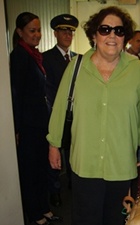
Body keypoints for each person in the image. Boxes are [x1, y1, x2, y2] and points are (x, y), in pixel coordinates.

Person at [47, 6, 140, 225]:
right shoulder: (77, 67)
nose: (112, 36)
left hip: (121, 162)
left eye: (119, 31)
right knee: (84, 219)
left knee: (115, 218)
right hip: (85, 160)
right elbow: (60, 108)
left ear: (125, 37)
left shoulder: (135, 70)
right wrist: (53, 144)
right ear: (94, 34)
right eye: (105, 29)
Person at [10, 12, 62, 225]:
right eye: (32, 30)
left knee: (41, 168)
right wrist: (16, 128)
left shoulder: (33, 55)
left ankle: (44, 208)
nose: (37, 34)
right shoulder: (19, 56)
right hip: (29, 125)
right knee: (31, 171)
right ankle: (35, 213)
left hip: (41, 123)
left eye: (39, 30)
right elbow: (16, 94)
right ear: (20, 32)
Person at [43, 14, 79, 207]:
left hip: (74, 115)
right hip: (56, 114)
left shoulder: (77, 59)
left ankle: (74, 184)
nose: (67, 34)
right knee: (55, 153)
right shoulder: (46, 58)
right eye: (63, 30)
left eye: (71, 31)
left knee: (73, 151)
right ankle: (55, 190)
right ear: (55, 33)